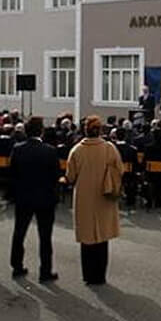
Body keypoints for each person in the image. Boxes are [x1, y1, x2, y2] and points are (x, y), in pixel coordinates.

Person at [65, 115, 124, 285]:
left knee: (87, 238)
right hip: (104, 195)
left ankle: (88, 275)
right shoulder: (109, 148)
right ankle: (100, 275)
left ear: (84, 130)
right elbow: (119, 169)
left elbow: (71, 176)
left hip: (84, 196)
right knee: (102, 237)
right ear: (100, 130)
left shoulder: (77, 150)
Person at [9, 116, 61, 282]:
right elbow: (55, 176)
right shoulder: (50, 151)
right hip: (45, 197)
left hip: (23, 196)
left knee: (19, 232)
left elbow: (13, 174)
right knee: (45, 237)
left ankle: (17, 266)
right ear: (41, 131)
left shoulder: (18, 149)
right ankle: (45, 270)